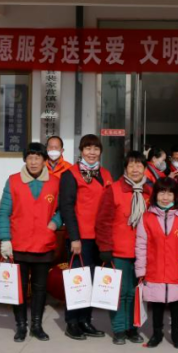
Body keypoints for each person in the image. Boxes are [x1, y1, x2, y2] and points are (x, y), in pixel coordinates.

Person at [0, 142, 61, 342]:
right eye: (30, 158)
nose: (33, 162)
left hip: (44, 243)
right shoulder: (13, 181)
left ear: (44, 160)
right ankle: (21, 326)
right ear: (25, 160)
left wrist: (55, 223)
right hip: (19, 244)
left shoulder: (55, 182)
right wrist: (5, 239)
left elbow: (63, 209)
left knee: (40, 288)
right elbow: (3, 212)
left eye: (37, 158)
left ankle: (36, 325)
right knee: (19, 287)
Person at [95, 151, 153, 345]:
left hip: (142, 252)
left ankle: (133, 328)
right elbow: (103, 222)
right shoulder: (114, 190)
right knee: (119, 293)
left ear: (145, 168)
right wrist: (105, 247)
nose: (135, 169)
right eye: (131, 165)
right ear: (125, 168)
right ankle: (119, 329)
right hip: (118, 251)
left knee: (136, 293)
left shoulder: (149, 192)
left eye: (139, 165)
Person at [59, 134, 112, 340]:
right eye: (88, 148)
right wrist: (74, 237)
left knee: (93, 281)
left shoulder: (105, 174)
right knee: (78, 281)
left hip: (100, 238)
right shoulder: (71, 174)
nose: (92, 152)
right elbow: (67, 207)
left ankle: (86, 320)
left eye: (96, 149)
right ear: (81, 151)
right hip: (80, 238)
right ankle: (72, 322)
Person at [135, 177, 178, 349]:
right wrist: (140, 270)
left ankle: (176, 334)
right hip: (155, 268)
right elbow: (141, 245)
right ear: (155, 194)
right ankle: (157, 333)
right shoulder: (147, 217)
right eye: (162, 192)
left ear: (175, 196)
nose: (165, 197)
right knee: (156, 303)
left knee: (176, 304)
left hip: (177, 267)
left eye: (170, 193)